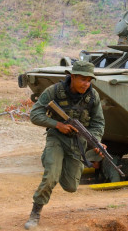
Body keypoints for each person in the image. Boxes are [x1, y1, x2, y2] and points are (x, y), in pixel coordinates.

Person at [24, 61, 105, 230]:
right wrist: (57, 124)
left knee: (71, 186)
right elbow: (35, 114)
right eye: (83, 79)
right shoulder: (54, 91)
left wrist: (96, 141)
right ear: (73, 76)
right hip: (57, 138)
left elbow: (98, 123)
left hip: (78, 142)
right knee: (51, 176)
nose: (86, 83)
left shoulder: (93, 96)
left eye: (89, 80)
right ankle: (35, 212)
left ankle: (54, 164)